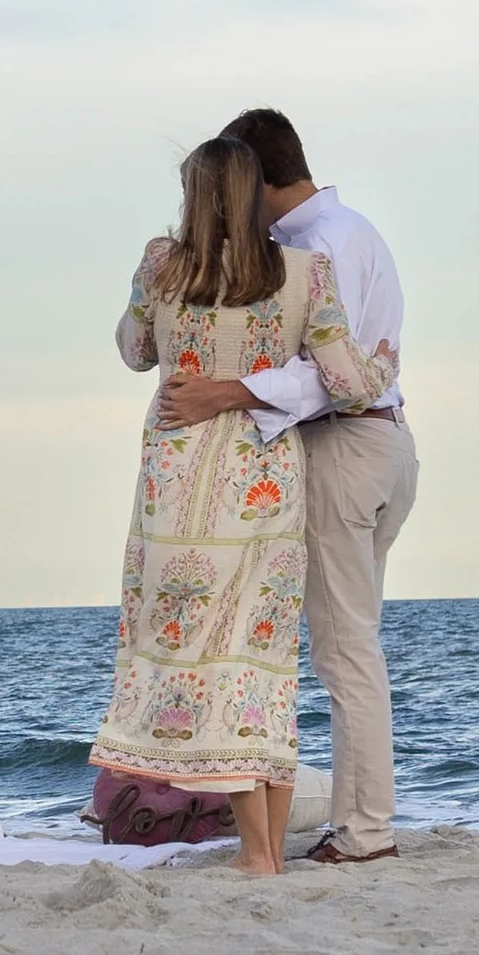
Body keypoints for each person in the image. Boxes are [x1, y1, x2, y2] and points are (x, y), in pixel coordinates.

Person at [89, 136, 396, 876]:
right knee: (260, 667)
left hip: (176, 494)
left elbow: (134, 351)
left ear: (193, 194)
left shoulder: (163, 266)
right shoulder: (301, 272)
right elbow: (347, 381)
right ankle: (264, 852)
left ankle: (255, 849)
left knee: (201, 664)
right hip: (260, 490)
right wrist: (384, 362)